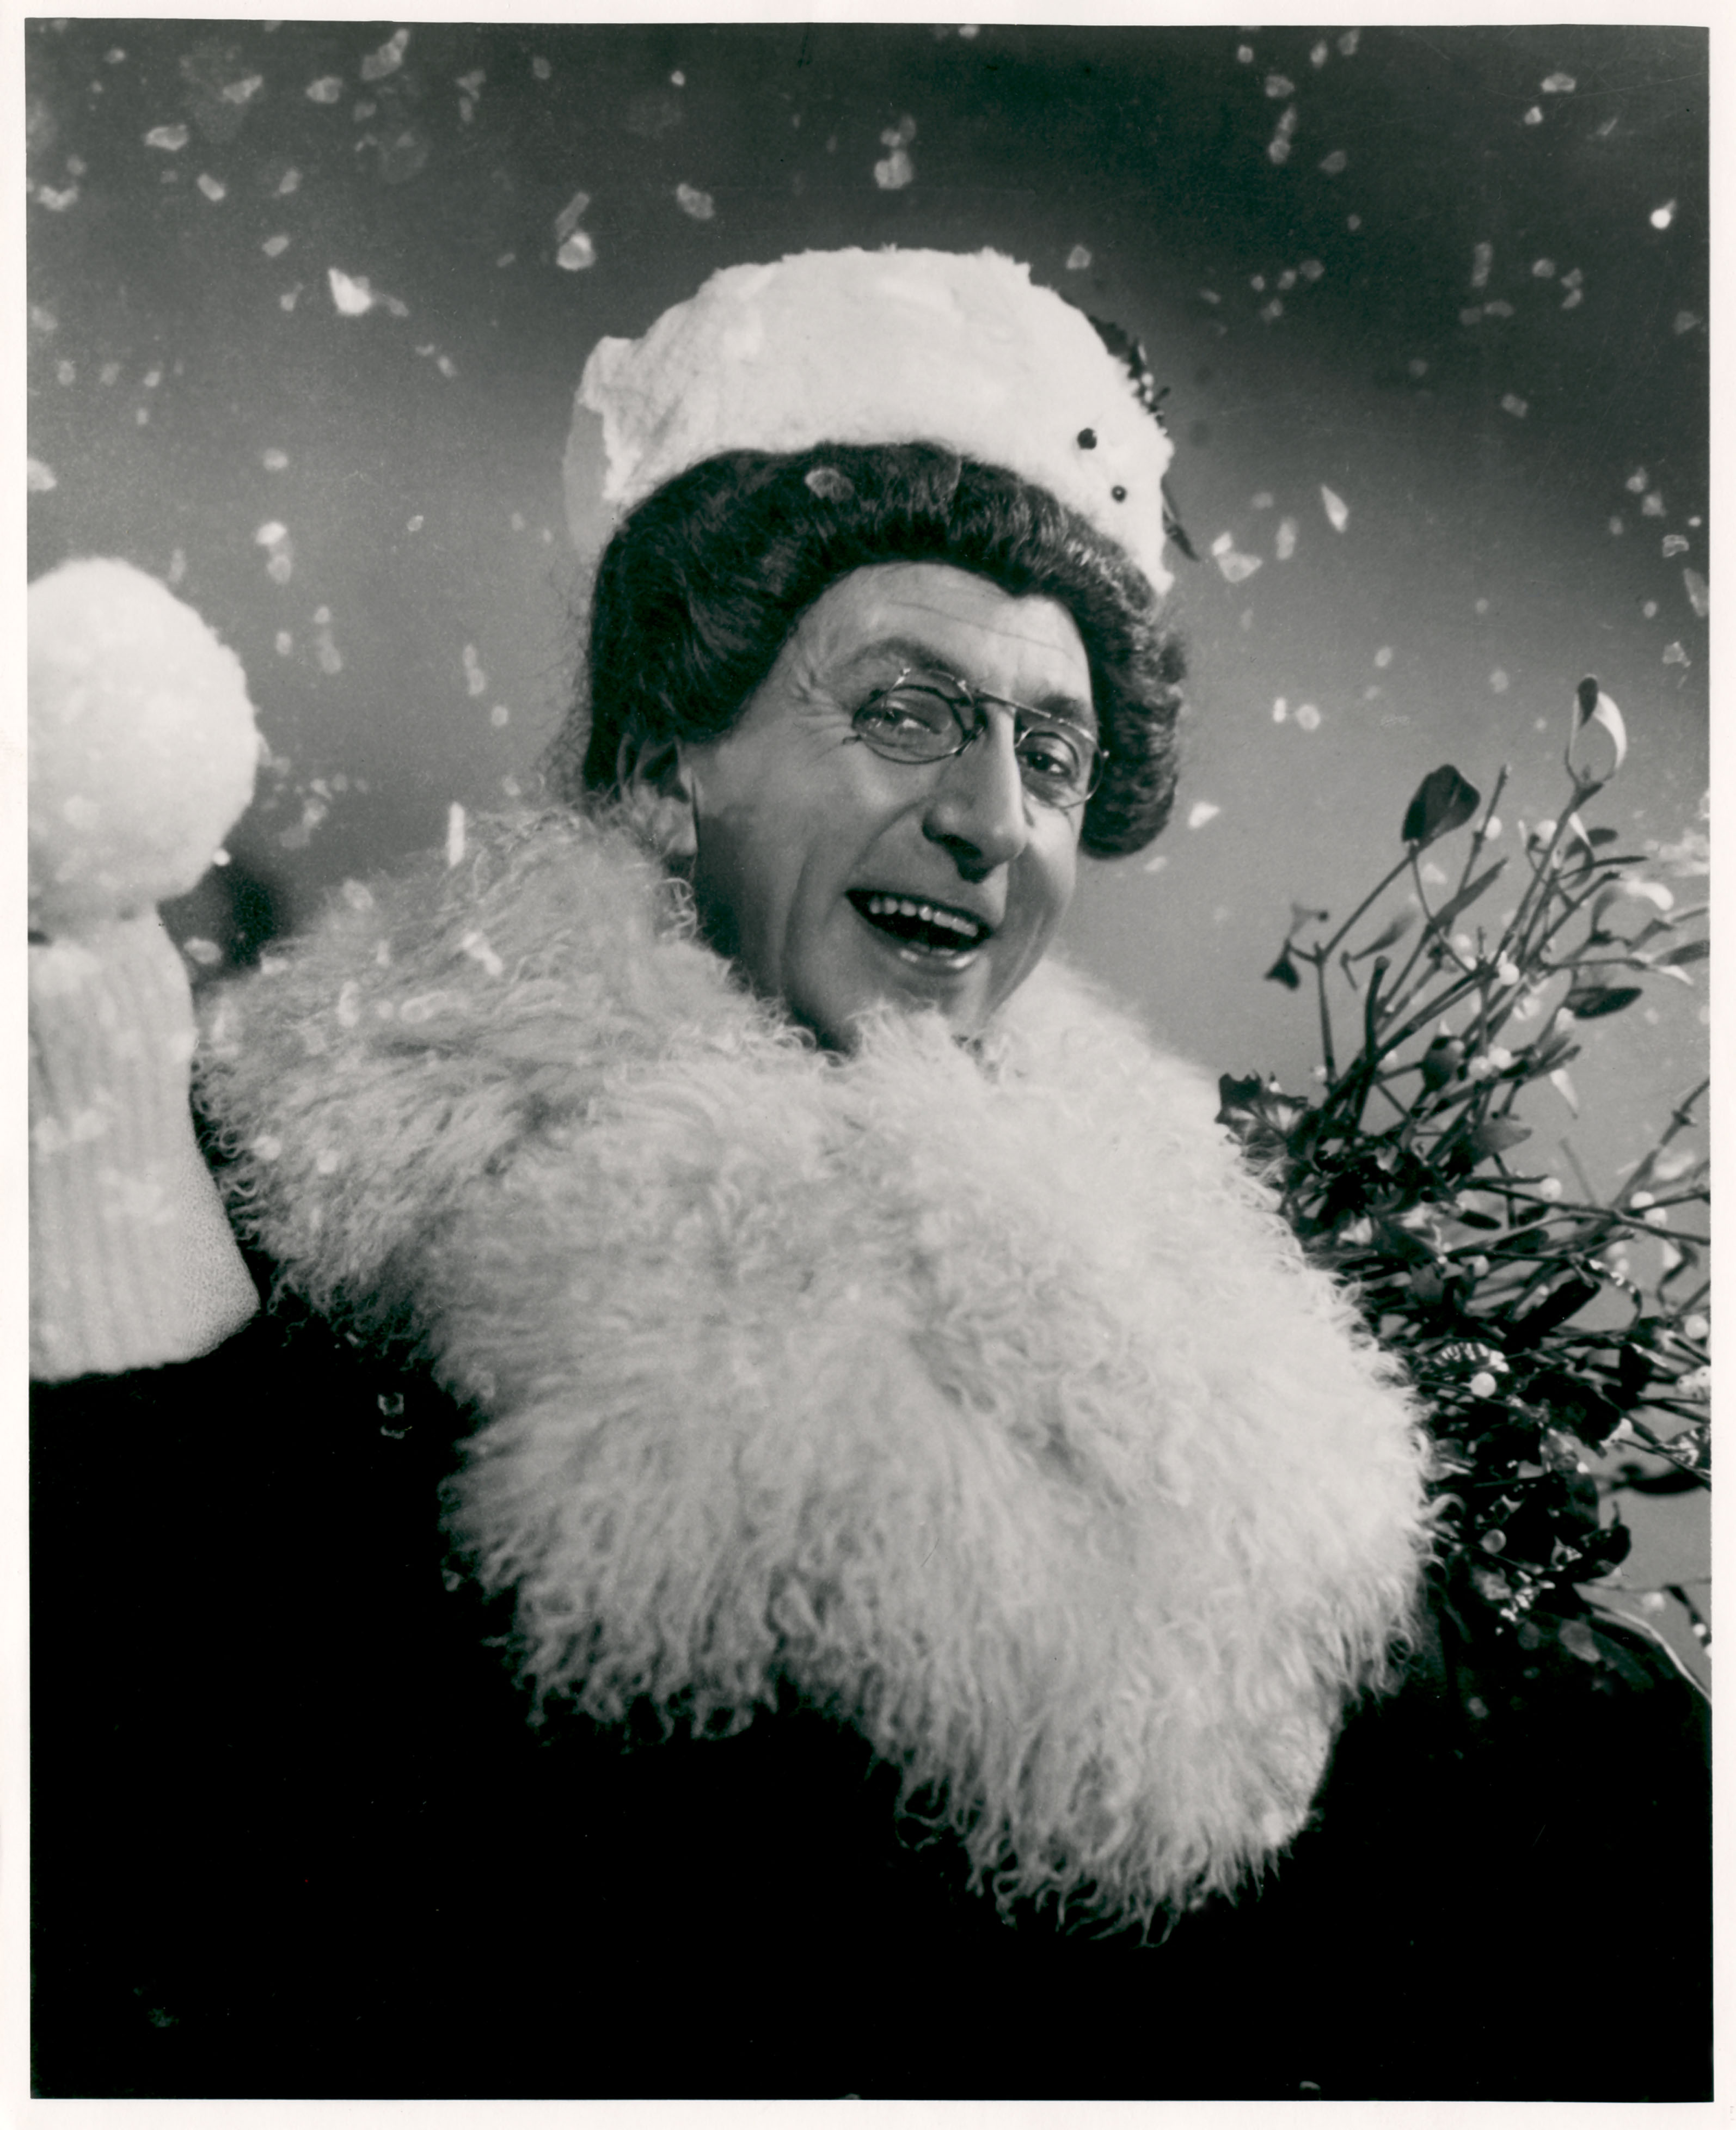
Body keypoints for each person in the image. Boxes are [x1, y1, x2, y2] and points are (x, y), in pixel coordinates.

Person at [29, 248, 1708, 2101]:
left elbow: (1468, 1839)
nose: (991, 820)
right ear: (663, 767)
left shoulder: (1184, 1309)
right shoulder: (329, 1223)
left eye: (1051, 754)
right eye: (907, 714)